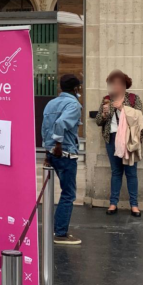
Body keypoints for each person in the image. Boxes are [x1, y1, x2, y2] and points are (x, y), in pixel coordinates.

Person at [95, 70, 143, 217]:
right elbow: (98, 121)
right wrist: (104, 114)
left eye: (118, 83)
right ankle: (113, 203)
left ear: (124, 85)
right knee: (116, 172)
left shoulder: (134, 99)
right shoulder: (106, 99)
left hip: (128, 139)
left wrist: (122, 108)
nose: (115, 86)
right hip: (112, 138)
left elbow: (139, 118)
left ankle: (134, 205)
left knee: (131, 173)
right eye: (113, 83)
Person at [42, 75, 83, 245]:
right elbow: (60, 123)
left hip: (53, 153)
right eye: (79, 87)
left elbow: (45, 128)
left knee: (63, 193)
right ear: (75, 89)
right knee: (68, 194)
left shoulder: (51, 103)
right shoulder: (73, 104)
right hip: (64, 153)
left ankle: (56, 228)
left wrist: (47, 152)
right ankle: (60, 233)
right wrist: (58, 144)